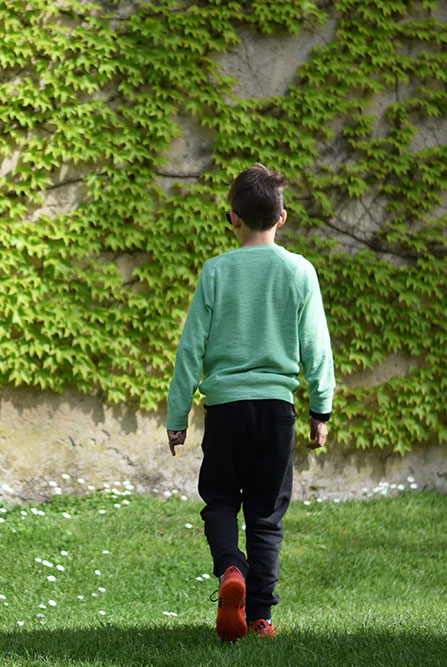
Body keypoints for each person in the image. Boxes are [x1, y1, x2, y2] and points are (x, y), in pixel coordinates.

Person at [165, 163, 335, 641]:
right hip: (276, 412)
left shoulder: (216, 271)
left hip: (226, 410)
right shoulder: (300, 271)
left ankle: (230, 571)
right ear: (283, 217)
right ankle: (260, 618)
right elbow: (316, 349)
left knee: (220, 499)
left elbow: (190, 349)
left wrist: (177, 417)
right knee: (265, 515)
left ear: (232, 218)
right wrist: (321, 411)